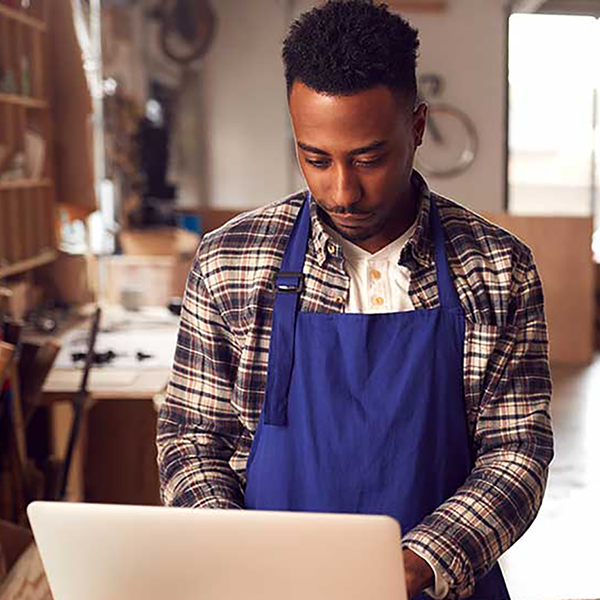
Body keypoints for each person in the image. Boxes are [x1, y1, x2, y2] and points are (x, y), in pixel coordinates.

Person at [157, 2, 553, 599]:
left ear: (416, 127)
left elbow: (516, 451)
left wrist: (419, 561)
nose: (342, 191)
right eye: (316, 158)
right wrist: (232, 549)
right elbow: (191, 438)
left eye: (369, 157)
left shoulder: (499, 270)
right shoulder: (228, 262)